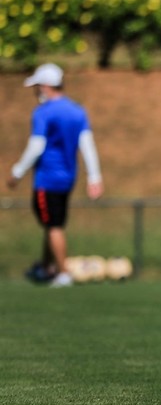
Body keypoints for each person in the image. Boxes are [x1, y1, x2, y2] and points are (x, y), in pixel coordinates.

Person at [7, 63, 104, 288]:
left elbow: (36, 146)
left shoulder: (43, 112)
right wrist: (94, 177)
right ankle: (46, 267)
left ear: (46, 86)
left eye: (37, 86)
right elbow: (87, 144)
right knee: (52, 224)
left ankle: (62, 273)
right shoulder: (77, 111)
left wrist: (17, 173)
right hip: (68, 179)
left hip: (47, 179)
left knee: (53, 226)